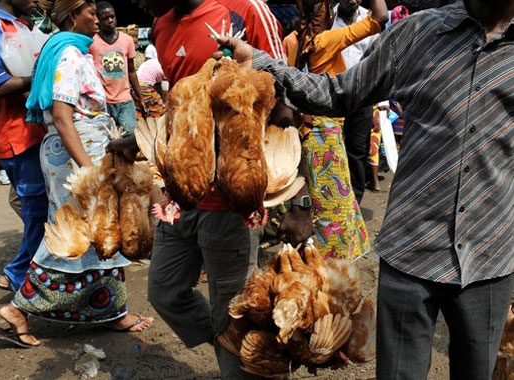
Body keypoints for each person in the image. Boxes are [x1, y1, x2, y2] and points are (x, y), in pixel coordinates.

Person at [216, 0, 514, 378]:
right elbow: (338, 93)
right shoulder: (417, 33)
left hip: (490, 258)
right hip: (412, 253)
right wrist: (261, 62)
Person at [108, 0, 312, 378]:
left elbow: (290, 105)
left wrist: (301, 201)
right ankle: (244, 353)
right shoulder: (162, 26)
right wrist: (140, 142)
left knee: (233, 310)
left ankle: (242, 361)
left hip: (232, 206)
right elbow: (183, 109)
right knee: (166, 292)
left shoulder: (245, 11)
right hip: (181, 196)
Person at [0, 0, 153, 348]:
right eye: (90, 12)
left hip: (82, 149)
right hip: (75, 154)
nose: (97, 19)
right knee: (71, 234)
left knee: (99, 232)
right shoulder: (68, 56)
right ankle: (18, 308)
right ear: (72, 15)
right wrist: (88, 169)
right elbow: (63, 118)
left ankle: (110, 310)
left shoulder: (72, 51)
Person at [285, 0, 387, 259]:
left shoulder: (293, 42)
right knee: (332, 210)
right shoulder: (325, 41)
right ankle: (331, 269)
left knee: (319, 206)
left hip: (305, 136)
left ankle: (312, 259)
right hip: (325, 136)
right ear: (327, 15)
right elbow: (380, 18)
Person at [0, 0, 48, 292]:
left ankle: (18, 272)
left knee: (38, 210)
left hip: (32, 131)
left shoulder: (22, 26)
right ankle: (17, 275)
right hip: (14, 135)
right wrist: (39, 75)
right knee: (36, 210)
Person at [333, 0, 381, 204]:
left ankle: (355, 203)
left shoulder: (370, 21)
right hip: (332, 94)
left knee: (357, 151)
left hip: (362, 96)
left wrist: (379, 104)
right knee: (334, 150)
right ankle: (335, 201)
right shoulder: (327, 19)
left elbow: (379, 61)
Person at [90, 1, 147, 133]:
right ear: (98, 20)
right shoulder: (92, 42)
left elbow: (131, 71)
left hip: (125, 99)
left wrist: (141, 98)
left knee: (130, 133)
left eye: (112, 16)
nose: (110, 20)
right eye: (105, 18)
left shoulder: (127, 40)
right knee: (108, 138)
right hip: (103, 101)